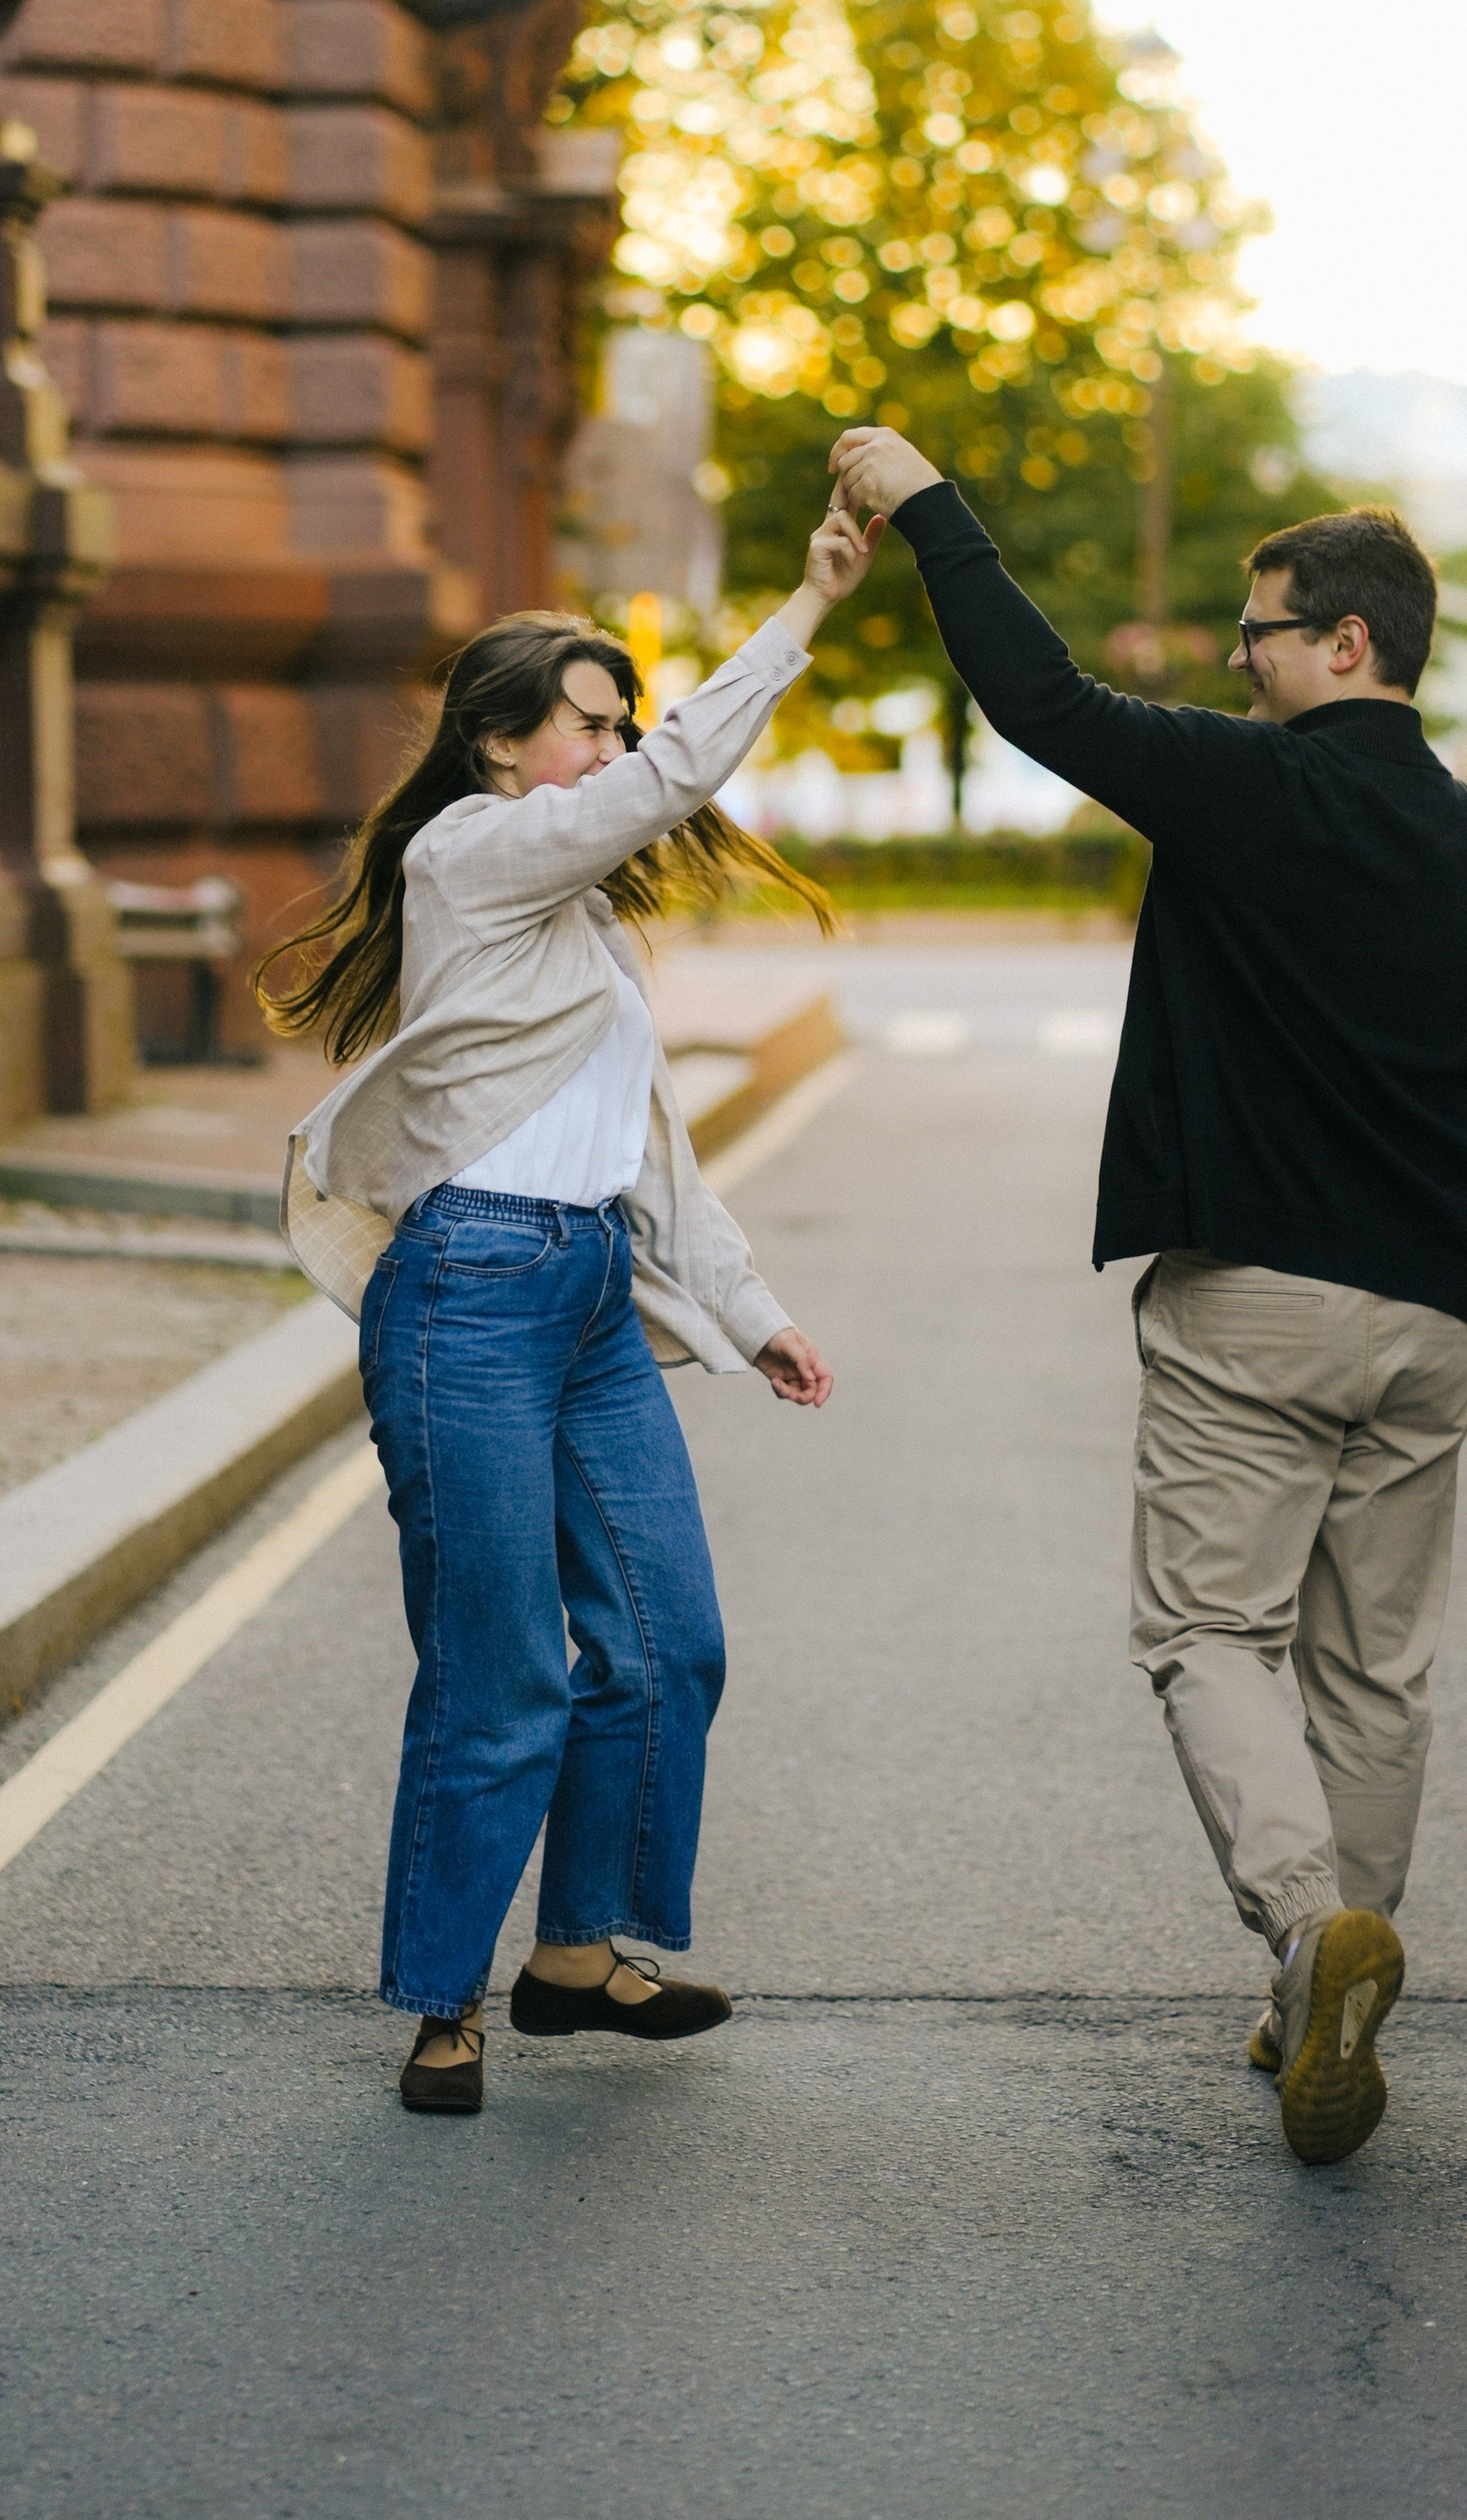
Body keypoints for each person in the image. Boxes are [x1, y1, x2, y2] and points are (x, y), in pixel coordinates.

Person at [829, 425, 1467, 2168]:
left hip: (1254, 1294)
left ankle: (1311, 1934)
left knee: (1204, 1635)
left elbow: (1043, 703)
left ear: (1344, 647)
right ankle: (1329, 1983)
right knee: (1371, 1670)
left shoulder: (1253, 789)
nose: (1236, 661)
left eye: (1256, 632)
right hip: (1427, 1317)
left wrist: (933, 506)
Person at [264, 493, 883, 2116]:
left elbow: (650, 1151)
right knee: (504, 1671)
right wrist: (807, 604)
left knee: (670, 1643)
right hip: (466, 1290)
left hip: (592, 1293)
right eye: (592, 729)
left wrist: (753, 1314)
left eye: (621, 728)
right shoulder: (473, 859)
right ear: (496, 748)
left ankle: (578, 1953)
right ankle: (443, 2002)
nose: (618, 755)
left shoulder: (585, 924)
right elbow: (685, 772)